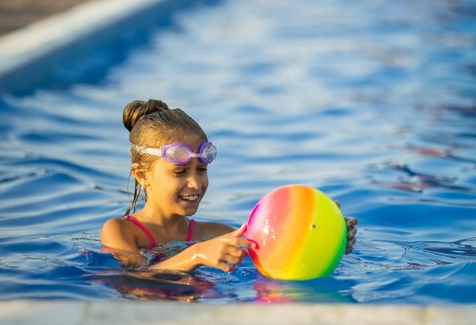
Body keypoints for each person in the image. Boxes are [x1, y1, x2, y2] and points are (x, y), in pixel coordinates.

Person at [101, 99, 358, 273]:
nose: (195, 182)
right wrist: (196, 256)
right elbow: (134, 279)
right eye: (180, 172)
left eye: (202, 170)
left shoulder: (216, 233)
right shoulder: (121, 232)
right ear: (141, 175)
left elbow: (278, 250)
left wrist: (328, 238)